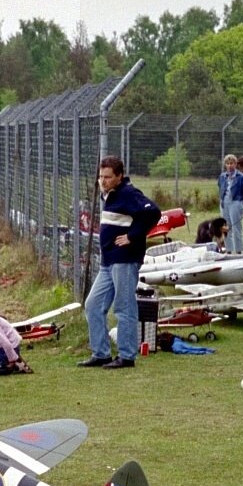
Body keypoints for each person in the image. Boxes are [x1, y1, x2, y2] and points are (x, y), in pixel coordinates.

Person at [79, 156, 161, 369]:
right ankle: (101, 353)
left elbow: (153, 212)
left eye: (107, 177)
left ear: (119, 177)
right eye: (100, 176)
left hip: (124, 260)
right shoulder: (111, 195)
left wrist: (132, 236)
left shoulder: (128, 194)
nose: (102, 181)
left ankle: (127, 355)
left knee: (124, 307)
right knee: (93, 305)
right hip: (108, 261)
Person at [217, 154, 243, 253]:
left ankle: (239, 250)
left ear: (235, 164)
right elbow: (220, 187)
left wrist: (241, 202)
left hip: (236, 202)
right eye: (227, 164)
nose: (229, 166)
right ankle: (228, 249)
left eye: (231, 163)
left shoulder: (241, 177)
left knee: (236, 227)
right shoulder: (222, 176)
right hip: (225, 202)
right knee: (225, 227)